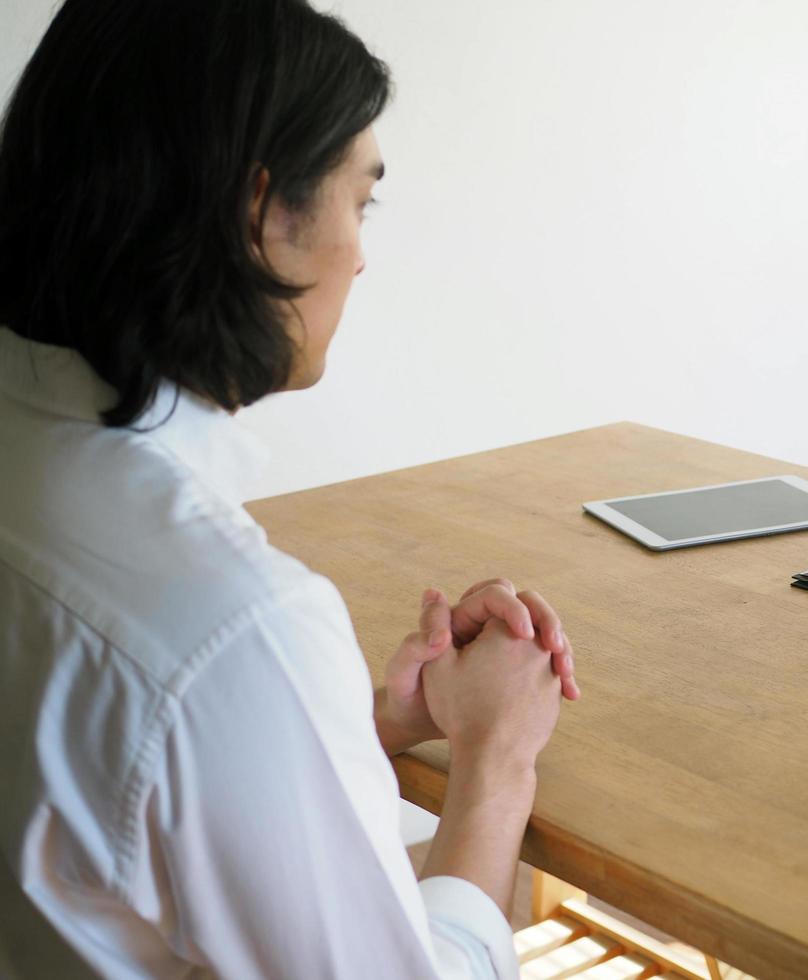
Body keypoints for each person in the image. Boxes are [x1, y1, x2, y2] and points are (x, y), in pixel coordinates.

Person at [0, 1, 577, 976]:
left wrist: (355, 720)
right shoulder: (234, 622)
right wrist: (496, 758)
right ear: (264, 215)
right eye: (363, 201)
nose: (361, 251)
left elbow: (100, 793)